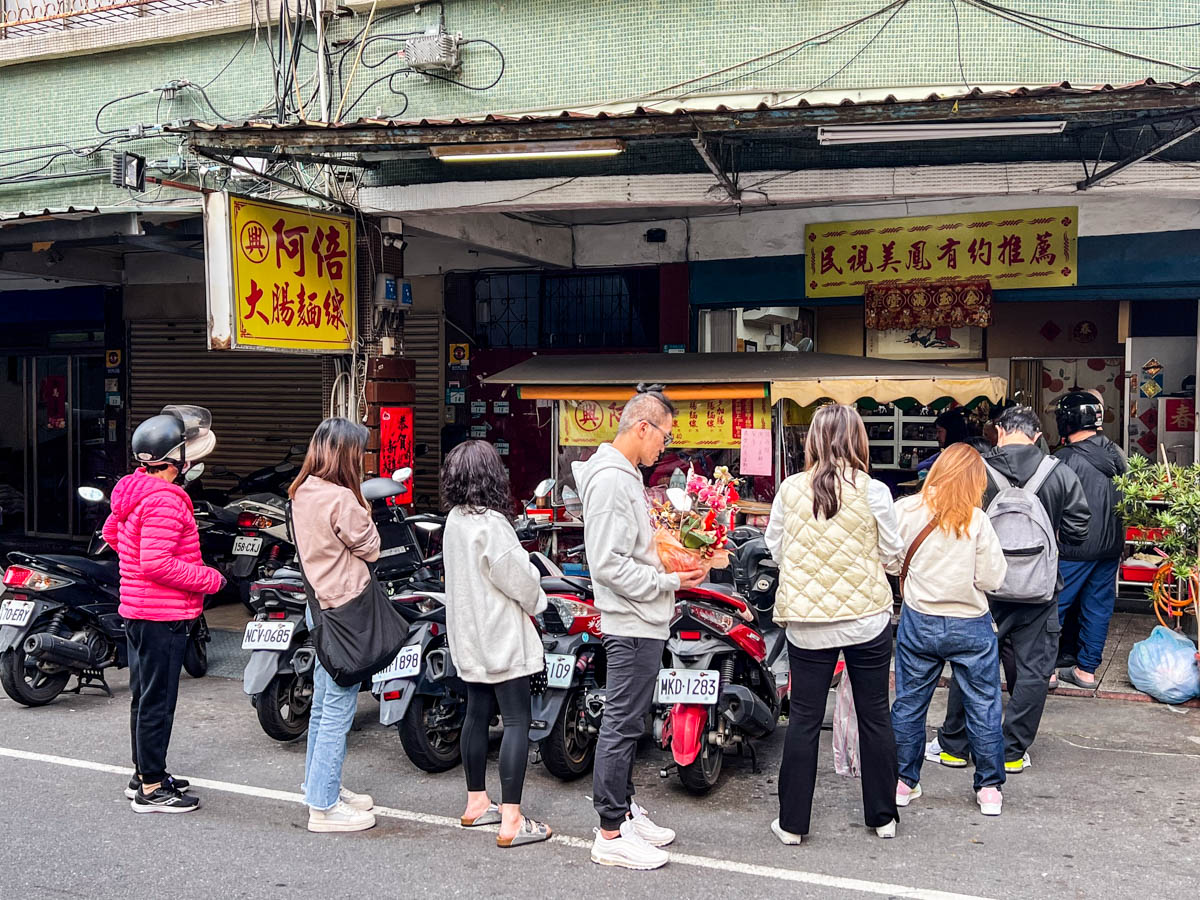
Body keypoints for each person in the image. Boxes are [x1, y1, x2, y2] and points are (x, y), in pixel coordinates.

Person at [573, 386, 706, 871]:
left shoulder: (624, 474)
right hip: (630, 618)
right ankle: (609, 831)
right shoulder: (611, 479)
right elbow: (607, 564)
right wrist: (669, 578)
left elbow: (630, 550)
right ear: (642, 427)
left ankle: (624, 812)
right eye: (663, 437)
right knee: (622, 724)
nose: (663, 449)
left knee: (628, 722)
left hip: (643, 615)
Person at [765, 403, 904, 844]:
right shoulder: (874, 491)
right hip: (866, 619)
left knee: (804, 718)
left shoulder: (789, 489)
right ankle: (883, 817)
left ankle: (791, 825)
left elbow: (775, 548)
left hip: (807, 623)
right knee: (875, 715)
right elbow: (894, 554)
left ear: (813, 441)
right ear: (857, 440)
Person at [930, 405, 1089, 774]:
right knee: (1034, 671)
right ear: (1036, 435)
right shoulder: (1059, 472)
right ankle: (1012, 752)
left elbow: (952, 522)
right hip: (1040, 591)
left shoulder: (978, 472)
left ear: (999, 432)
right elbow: (1080, 528)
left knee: (971, 664)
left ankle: (954, 747)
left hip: (985, 588)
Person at [103, 405, 224, 813]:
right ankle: (153, 789)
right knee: (158, 701)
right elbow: (157, 563)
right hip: (163, 614)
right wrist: (210, 580)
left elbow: (111, 533)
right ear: (175, 460)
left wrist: (135, 568)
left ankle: (143, 772)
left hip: (138, 610)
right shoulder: (168, 501)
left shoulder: (132, 490)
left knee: (144, 695)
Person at [441, 440, 552, 848]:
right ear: (492, 476)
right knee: (517, 721)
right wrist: (540, 602)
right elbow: (520, 580)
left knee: (476, 714)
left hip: (468, 634)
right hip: (501, 635)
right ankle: (511, 820)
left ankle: (476, 803)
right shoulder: (492, 524)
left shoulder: (454, 519)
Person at [891, 444, 1009, 817]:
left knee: (910, 703)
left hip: (919, 619)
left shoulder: (905, 510)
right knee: (984, 704)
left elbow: (889, 558)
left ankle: (902, 782)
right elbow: (993, 578)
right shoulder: (977, 520)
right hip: (970, 625)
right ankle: (989, 789)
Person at [288, 418, 380, 833]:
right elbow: (372, 546)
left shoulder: (301, 490)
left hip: (319, 607)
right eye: (359, 451)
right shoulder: (342, 498)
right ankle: (323, 808)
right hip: (345, 611)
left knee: (323, 707)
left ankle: (319, 787)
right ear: (346, 454)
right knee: (338, 710)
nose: (362, 459)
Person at [1052, 391, 1127, 690]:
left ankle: (1047, 671)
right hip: (1110, 547)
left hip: (1073, 547)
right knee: (1098, 607)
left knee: (1053, 607)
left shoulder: (1063, 459)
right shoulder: (1118, 454)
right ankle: (1086, 671)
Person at [916, 407, 970, 473]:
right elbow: (920, 466)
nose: (937, 436)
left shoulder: (957, 455)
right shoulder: (948, 452)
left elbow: (921, 467)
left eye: (940, 431)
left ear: (951, 432)